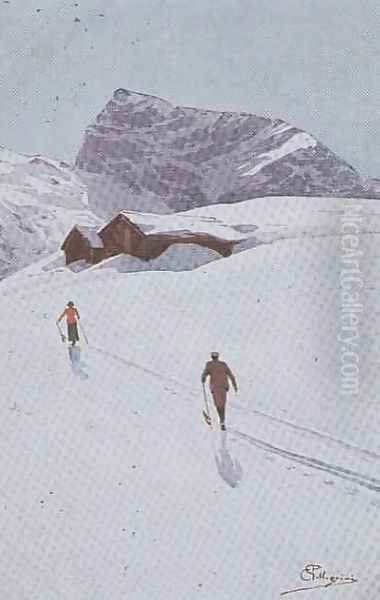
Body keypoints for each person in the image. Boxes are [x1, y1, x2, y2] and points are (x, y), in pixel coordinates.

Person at [201, 352, 238, 430]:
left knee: (218, 405)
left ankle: (222, 420)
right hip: (223, 386)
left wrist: (203, 378)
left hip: (215, 387)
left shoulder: (209, 364)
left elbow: (204, 374)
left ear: (212, 357)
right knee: (222, 404)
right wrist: (234, 385)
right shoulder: (223, 364)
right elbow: (231, 375)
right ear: (218, 357)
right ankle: (222, 421)